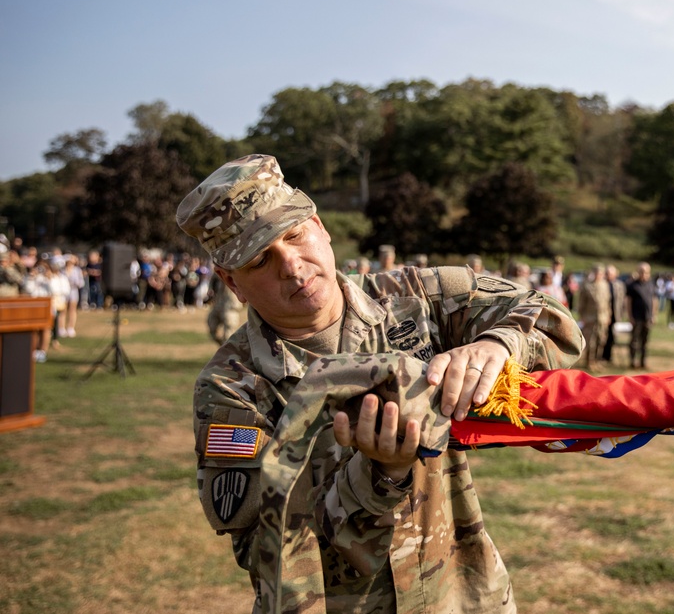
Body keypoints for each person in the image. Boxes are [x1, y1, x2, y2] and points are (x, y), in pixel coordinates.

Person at [175, 154, 583, 613]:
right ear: (233, 283)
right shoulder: (234, 386)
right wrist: (379, 475)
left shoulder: (418, 297)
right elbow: (262, 546)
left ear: (321, 227)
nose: (291, 266)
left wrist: (497, 345)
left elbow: (555, 323)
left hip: (463, 595)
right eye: (260, 261)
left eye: (294, 236)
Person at [576, 262, 610, 371]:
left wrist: (609, 315)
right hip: (590, 317)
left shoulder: (605, 285)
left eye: (600, 273)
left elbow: (608, 302)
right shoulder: (587, 286)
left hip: (602, 318)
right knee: (591, 341)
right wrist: (582, 316)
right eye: (596, 272)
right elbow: (581, 303)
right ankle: (589, 362)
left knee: (601, 340)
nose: (598, 275)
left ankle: (597, 360)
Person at [625, 262, 656, 370]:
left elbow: (654, 300)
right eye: (642, 272)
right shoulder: (633, 285)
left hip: (647, 317)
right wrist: (630, 317)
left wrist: (653, 315)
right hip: (636, 317)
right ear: (638, 272)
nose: (644, 274)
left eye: (646, 272)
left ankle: (643, 361)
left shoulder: (651, 284)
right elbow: (628, 302)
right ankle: (633, 361)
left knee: (645, 341)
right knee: (634, 341)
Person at [601, 264, 627, 363]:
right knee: (602, 336)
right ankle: (600, 356)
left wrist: (622, 313)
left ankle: (608, 356)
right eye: (607, 273)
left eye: (611, 274)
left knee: (612, 336)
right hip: (604, 315)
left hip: (615, 315)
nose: (608, 275)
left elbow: (622, 300)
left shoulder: (619, 285)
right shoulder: (602, 285)